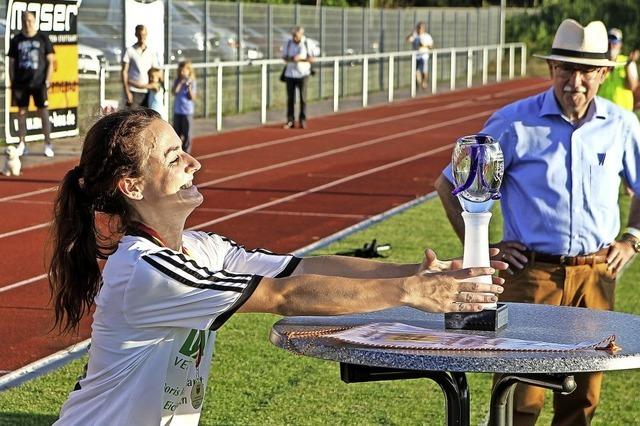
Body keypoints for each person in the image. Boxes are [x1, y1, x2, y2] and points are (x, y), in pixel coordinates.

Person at [49, 108, 505, 425]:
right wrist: (410, 292)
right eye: (174, 158)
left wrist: (423, 274)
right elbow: (282, 296)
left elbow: (299, 268)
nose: (194, 163)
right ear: (131, 186)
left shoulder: (199, 249)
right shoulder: (146, 270)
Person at [435, 19, 640, 426]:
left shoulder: (622, 125)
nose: (575, 81)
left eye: (586, 71)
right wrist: (486, 248)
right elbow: (448, 184)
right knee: (519, 394)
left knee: (582, 396)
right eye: (565, 68)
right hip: (532, 275)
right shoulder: (513, 122)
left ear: (603, 73)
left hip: (595, 274)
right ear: (551, 70)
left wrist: (632, 238)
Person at [8, 11, 55, 158]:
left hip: (39, 83)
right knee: (21, 113)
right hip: (21, 84)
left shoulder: (43, 38)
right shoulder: (16, 39)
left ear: (34, 20)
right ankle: (22, 143)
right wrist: (12, 80)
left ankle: (48, 144)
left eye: (29, 20)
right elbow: (11, 62)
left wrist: (47, 80)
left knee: (43, 113)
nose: (26, 23)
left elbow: (50, 61)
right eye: (24, 20)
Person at [282, 26, 316, 129]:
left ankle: (302, 120)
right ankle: (290, 120)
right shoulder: (288, 43)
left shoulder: (307, 43)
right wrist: (292, 58)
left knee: (303, 98)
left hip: (303, 74)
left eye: (296, 35)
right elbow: (284, 57)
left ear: (301, 34)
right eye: (293, 35)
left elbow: (312, 59)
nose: (294, 37)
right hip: (290, 74)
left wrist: (301, 59)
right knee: (290, 99)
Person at [598, 27, 639, 111]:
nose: (611, 45)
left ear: (620, 44)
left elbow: (633, 87)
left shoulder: (627, 62)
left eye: (615, 42)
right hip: (602, 110)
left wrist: (629, 65)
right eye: (609, 41)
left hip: (622, 112)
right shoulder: (599, 62)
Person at [122, 24, 159, 109]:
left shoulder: (151, 51)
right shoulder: (130, 51)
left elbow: (155, 71)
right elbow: (124, 71)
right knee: (133, 119)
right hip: (133, 91)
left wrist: (152, 86)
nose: (142, 37)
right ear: (136, 35)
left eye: (144, 35)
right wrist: (127, 91)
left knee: (146, 119)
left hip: (148, 91)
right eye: (139, 35)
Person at [173, 60, 196, 153]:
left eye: (184, 71)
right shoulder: (177, 81)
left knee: (187, 134)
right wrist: (181, 83)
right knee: (176, 134)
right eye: (181, 71)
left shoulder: (192, 82)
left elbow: (192, 97)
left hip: (187, 112)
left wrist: (189, 87)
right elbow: (174, 92)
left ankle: (187, 152)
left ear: (189, 71)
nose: (182, 73)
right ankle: (177, 152)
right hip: (177, 111)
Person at [406, 22, 434, 91]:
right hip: (416, 56)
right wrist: (412, 33)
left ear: (423, 28)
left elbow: (431, 46)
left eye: (420, 28)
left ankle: (424, 82)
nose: (419, 29)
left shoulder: (427, 36)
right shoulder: (415, 36)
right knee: (416, 72)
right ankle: (418, 84)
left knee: (424, 71)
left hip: (424, 56)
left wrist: (423, 45)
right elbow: (407, 40)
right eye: (418, 28)